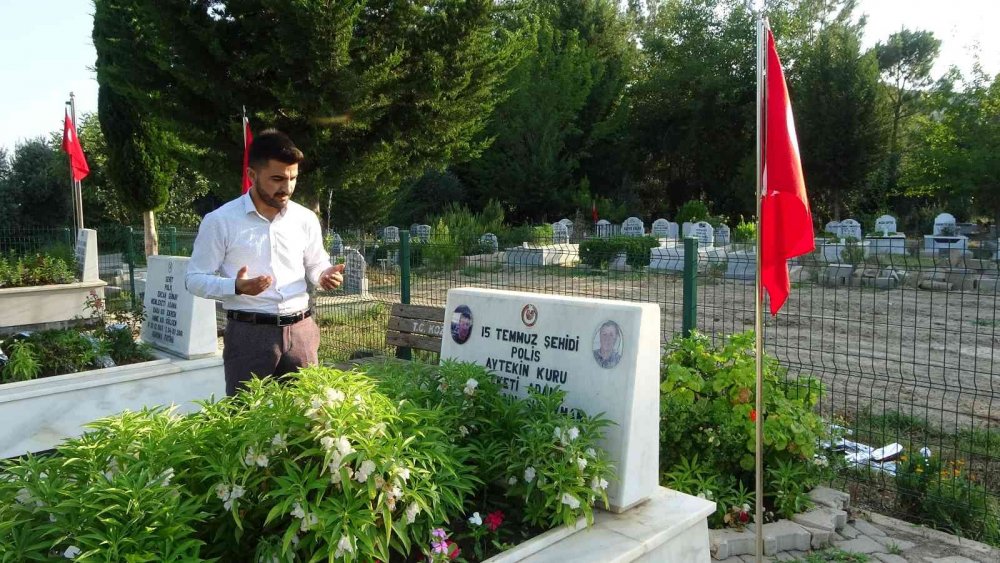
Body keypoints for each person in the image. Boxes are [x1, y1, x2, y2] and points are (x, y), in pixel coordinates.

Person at [186, 129, 344, 396]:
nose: (287, 187)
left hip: (301, 331)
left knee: (309, 416)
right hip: (250, 333)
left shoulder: (305, 219)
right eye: (277, 178)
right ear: (252, 175)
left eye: (293, 178)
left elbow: (316, 263)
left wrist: (323, 275)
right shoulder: (220, 221)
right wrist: (236, 286)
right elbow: (194, 279)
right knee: (246, 417)